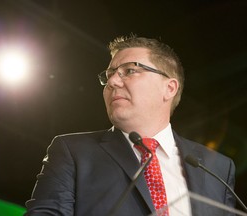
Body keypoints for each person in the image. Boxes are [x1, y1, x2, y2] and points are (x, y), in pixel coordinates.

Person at [25, 35, 236, 215]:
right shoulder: (73, 152)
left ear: (169, 88)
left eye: (130, 71)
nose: (112, 82)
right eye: (109, 75)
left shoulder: (216, 169)